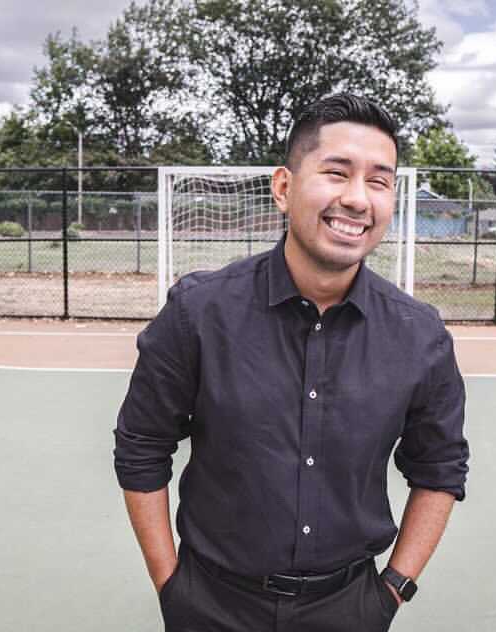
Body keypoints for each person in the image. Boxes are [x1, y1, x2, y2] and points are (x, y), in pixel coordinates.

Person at [113, 93, 468, 632]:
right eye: (336, 172)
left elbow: (440, 470)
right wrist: (171, 585)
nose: (357, 199)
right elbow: (141, 447)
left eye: (379, 181)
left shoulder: (420, 337)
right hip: (210, 604)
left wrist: (392, 589)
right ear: (283, 187)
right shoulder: (198, 312)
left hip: (349, 607)